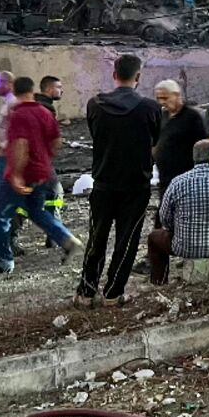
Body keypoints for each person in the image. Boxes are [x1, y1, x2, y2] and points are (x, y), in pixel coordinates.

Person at [75, 55, 162, 308]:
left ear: (114, 75)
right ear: (138, 77)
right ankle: (113, 293)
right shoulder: (151, 108)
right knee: (127, 239)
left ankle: (86, 291)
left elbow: (96, 134)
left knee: (97, 237)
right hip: (136, 186)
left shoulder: (94, 104)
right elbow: (155, 141)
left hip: (103, 183)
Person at [0, 77, 82, 273]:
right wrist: (44, 159)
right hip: (43, 172)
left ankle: (5, 262)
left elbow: (21, 146)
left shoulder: (19, 115)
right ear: (32, 91)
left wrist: (16, 174)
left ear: (15, 90)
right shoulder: (44, 112)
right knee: (36, 211)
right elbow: (57, 142)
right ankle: (67, 239)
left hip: (24, 173)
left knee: (1, 217)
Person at [147, 140, 209, 284]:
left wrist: (176, 229)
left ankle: (159, 281)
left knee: (153, 238)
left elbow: (164, 218)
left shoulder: (177, 182)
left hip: (184, 247)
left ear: (194, 158)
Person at [153, 80, 209, 204]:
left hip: (185, 179)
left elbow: (202, 147)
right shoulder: (163, 116)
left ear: (177, 95)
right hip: (165, 178)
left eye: (165, 98)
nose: (162, 102)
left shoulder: (192, 117)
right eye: (159, 98)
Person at [0, 71, 22, 255]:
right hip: (4, 157)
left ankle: (7, 247)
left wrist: (4, 148)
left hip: (7, 158)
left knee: (5, 203)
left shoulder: (13, 104)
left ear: (8, 83)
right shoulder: (8, 104)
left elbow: (17, 133)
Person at [35, 75, 66, 249]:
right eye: (58, 87)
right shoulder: (45, 108)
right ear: (48, 89)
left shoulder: (36, 105)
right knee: (55, 194)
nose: (62, 90)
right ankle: (54, 237)